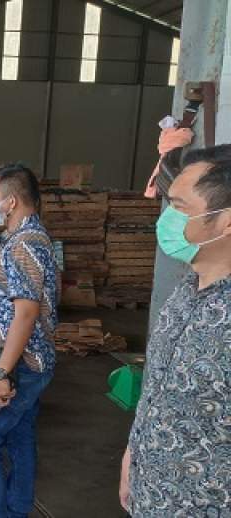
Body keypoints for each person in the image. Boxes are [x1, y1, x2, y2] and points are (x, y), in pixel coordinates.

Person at [119, 145, 231, 516]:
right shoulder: (188, 286)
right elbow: (157, 388)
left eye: (181, 209)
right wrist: (133, 455)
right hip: (150, 495)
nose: (167, 219)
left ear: (226, 221)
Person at [0, 164, 58, 518]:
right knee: (20, 439)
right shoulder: (30, 239)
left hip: (14, 366)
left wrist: (1, 373)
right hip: (27, 364)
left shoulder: (24, 244)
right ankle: (16, 511)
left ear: (12, 201)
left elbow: (25, 313)